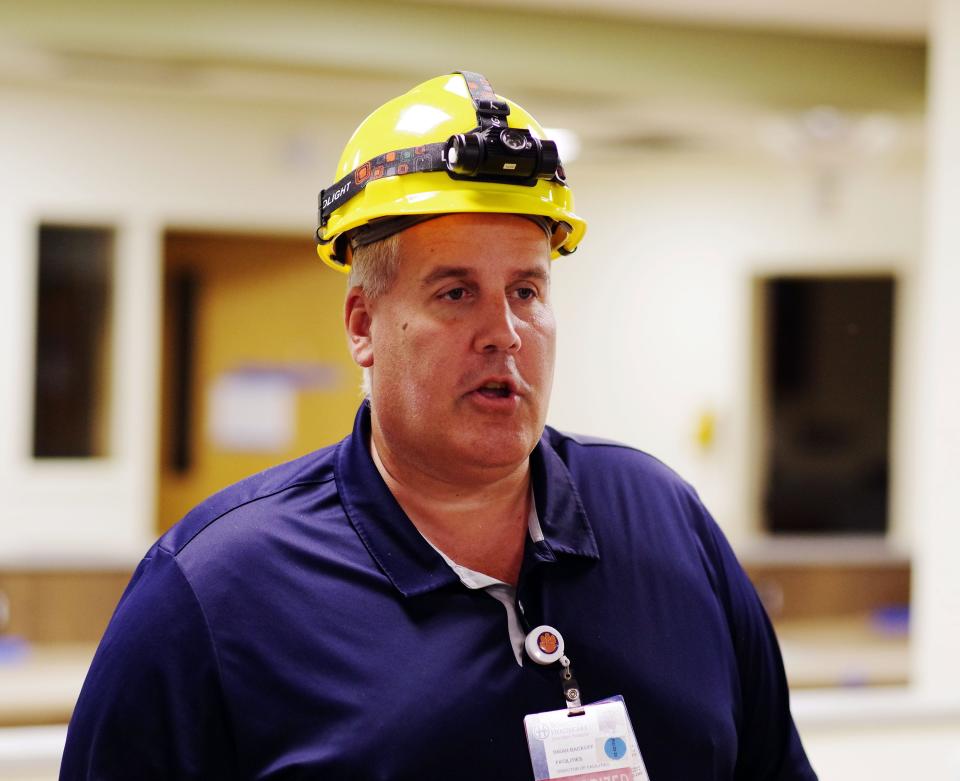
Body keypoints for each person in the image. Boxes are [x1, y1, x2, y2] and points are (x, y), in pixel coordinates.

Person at [61, 71, 817, 780]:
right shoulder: (213, 591)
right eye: (456, 293)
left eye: (526, 290)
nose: (504, 332)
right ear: (363, 323)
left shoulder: (663, 520)